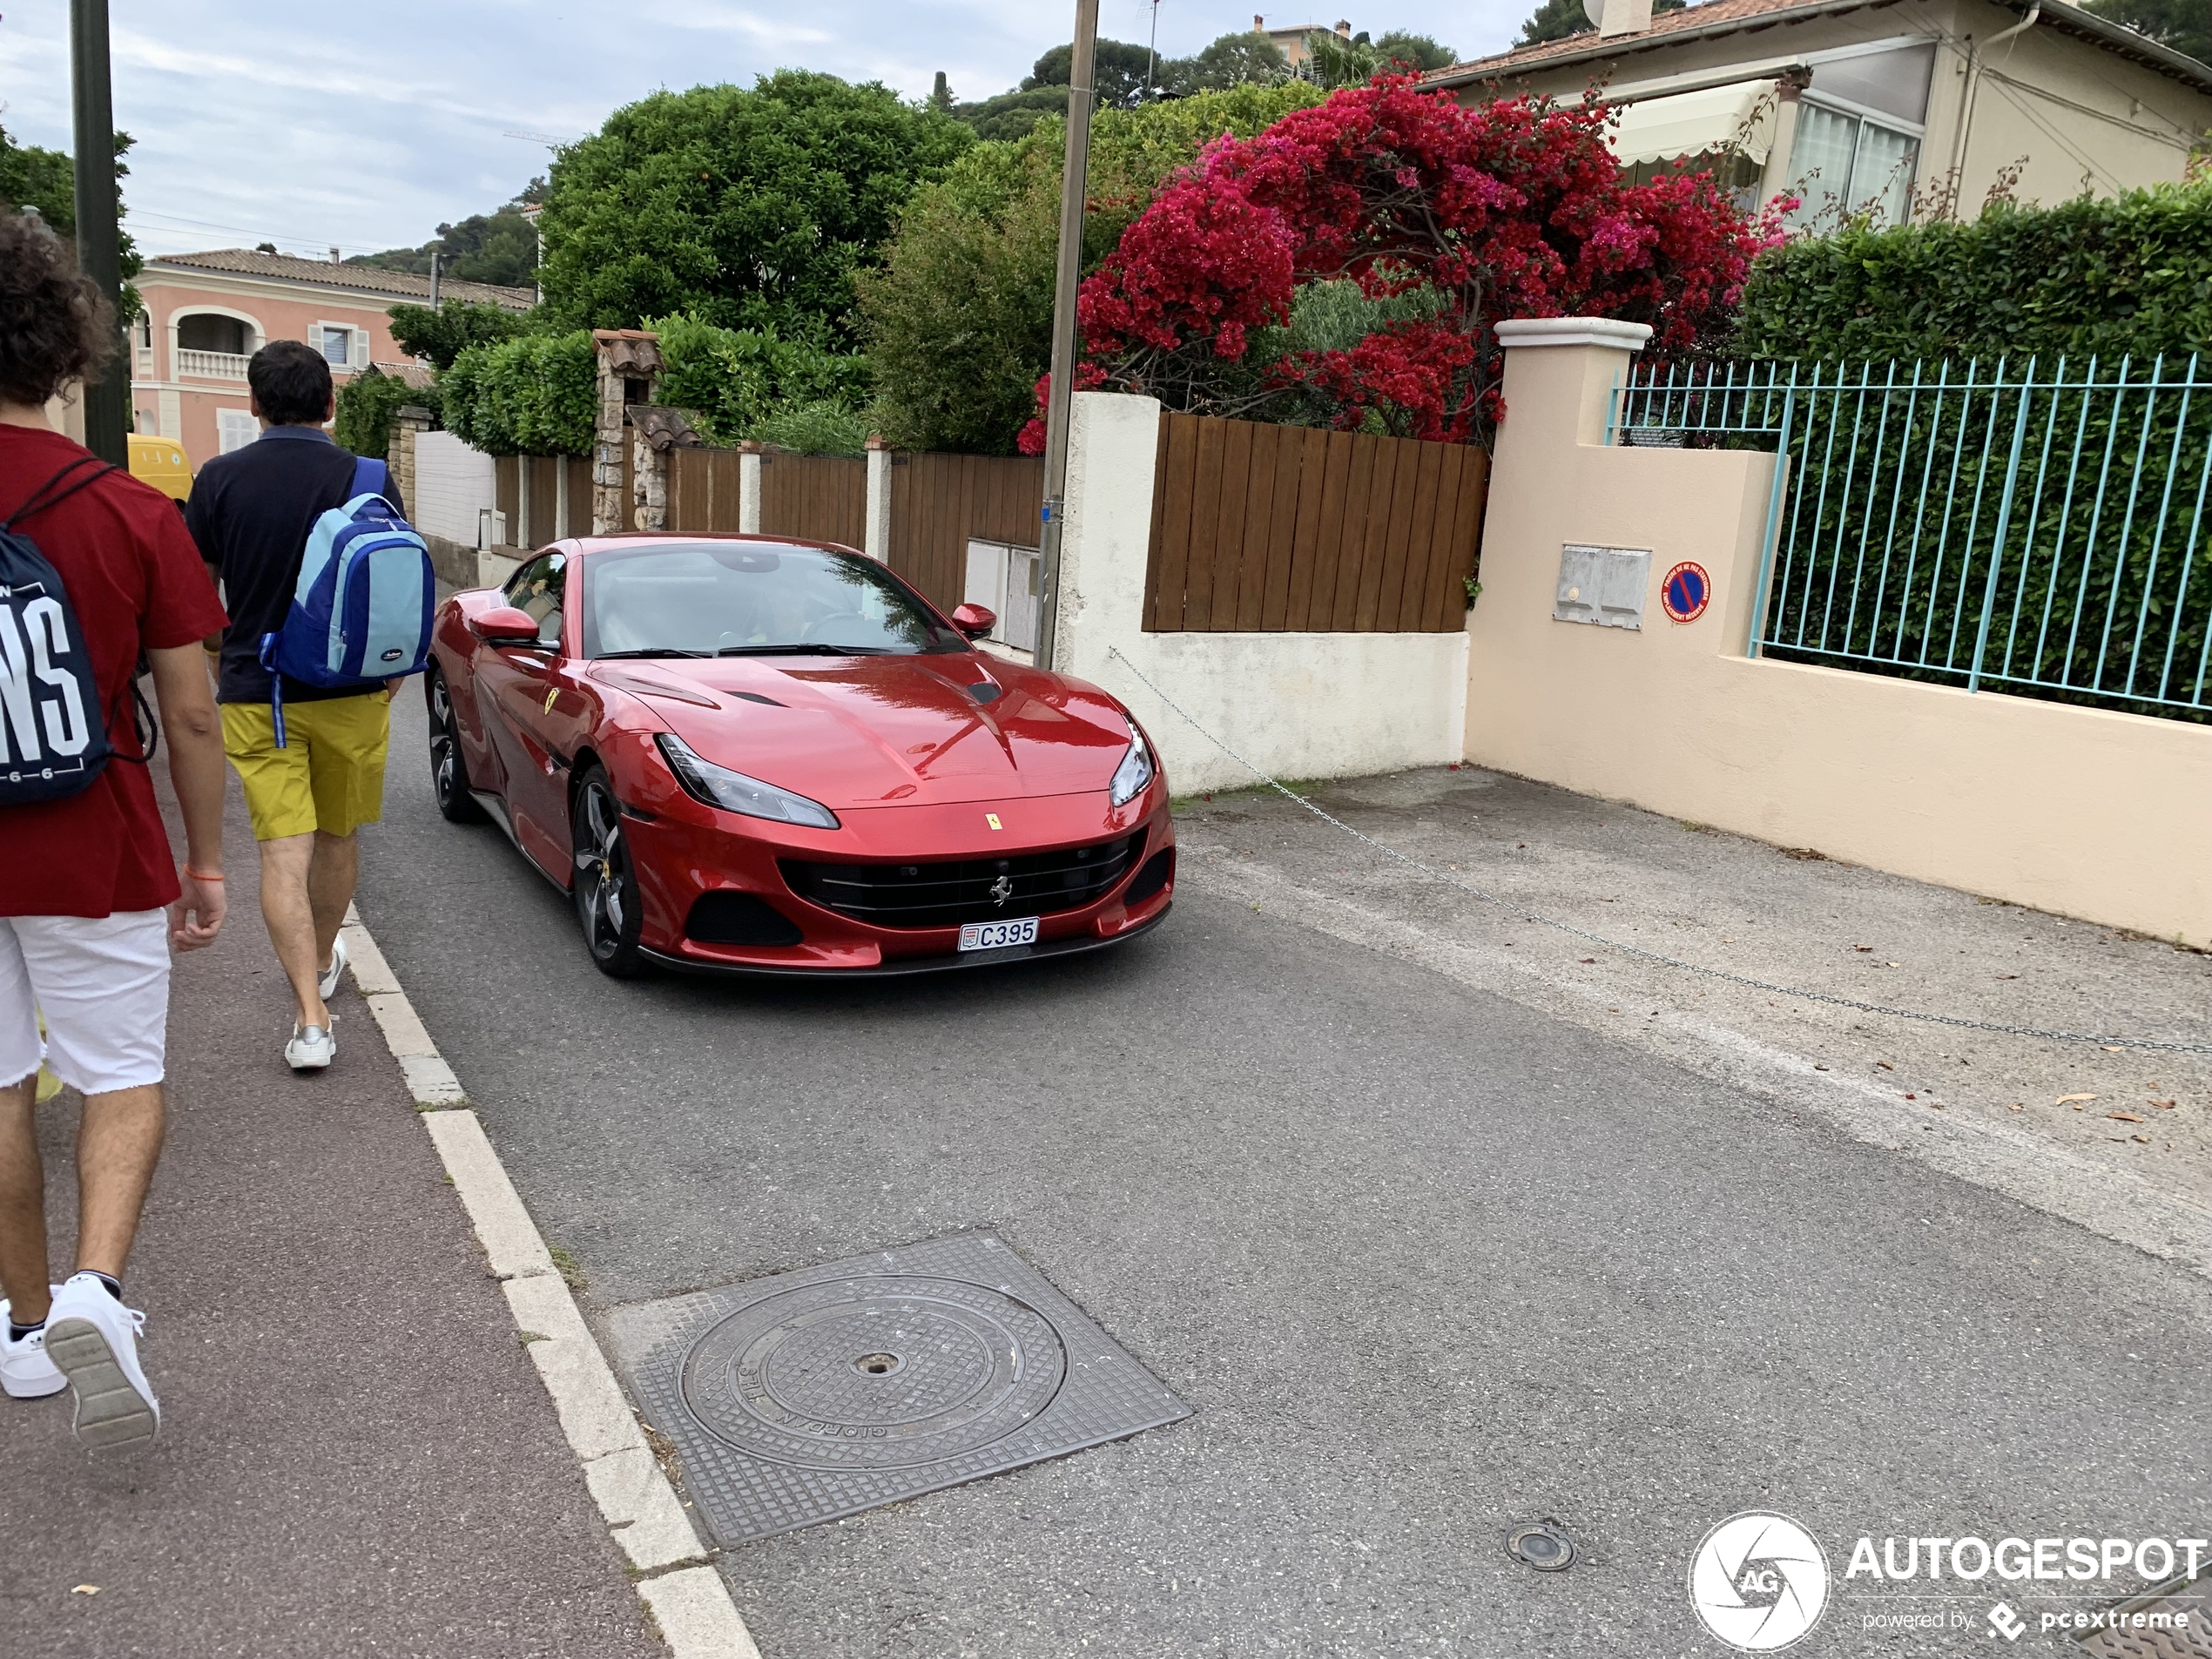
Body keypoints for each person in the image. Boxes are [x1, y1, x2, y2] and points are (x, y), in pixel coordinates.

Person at [0, 212, 230, 1444]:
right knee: (120, 1075)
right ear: (66, 353)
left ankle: (27, 1324)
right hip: (95, 838)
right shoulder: (129, 513)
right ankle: (97, 1288)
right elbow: (192, 716)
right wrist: (204, 860)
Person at [186, 340, 404, 1071]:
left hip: (260, 692)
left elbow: (194, 598)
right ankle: (317, 971)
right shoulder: (367, 475)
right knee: (338, 838)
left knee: (284, 850)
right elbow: (393, 589)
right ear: (331, 403)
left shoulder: (218, 479)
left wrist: (227, 653)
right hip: (351, 691)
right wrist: (388, 678)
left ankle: (310, 1022)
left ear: (253, 404)